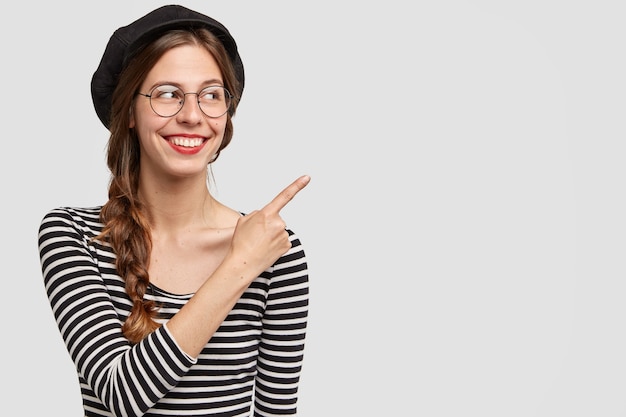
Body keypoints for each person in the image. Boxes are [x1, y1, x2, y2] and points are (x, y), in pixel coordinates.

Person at [37, 5, 310, 417]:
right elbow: (121, 393)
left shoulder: (274, 251)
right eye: (168, 94)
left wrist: (253, 257)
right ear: (129, 110)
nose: (191, 115)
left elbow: (277, 411)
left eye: (211, 95)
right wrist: (239, 265)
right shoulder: (72, 235)